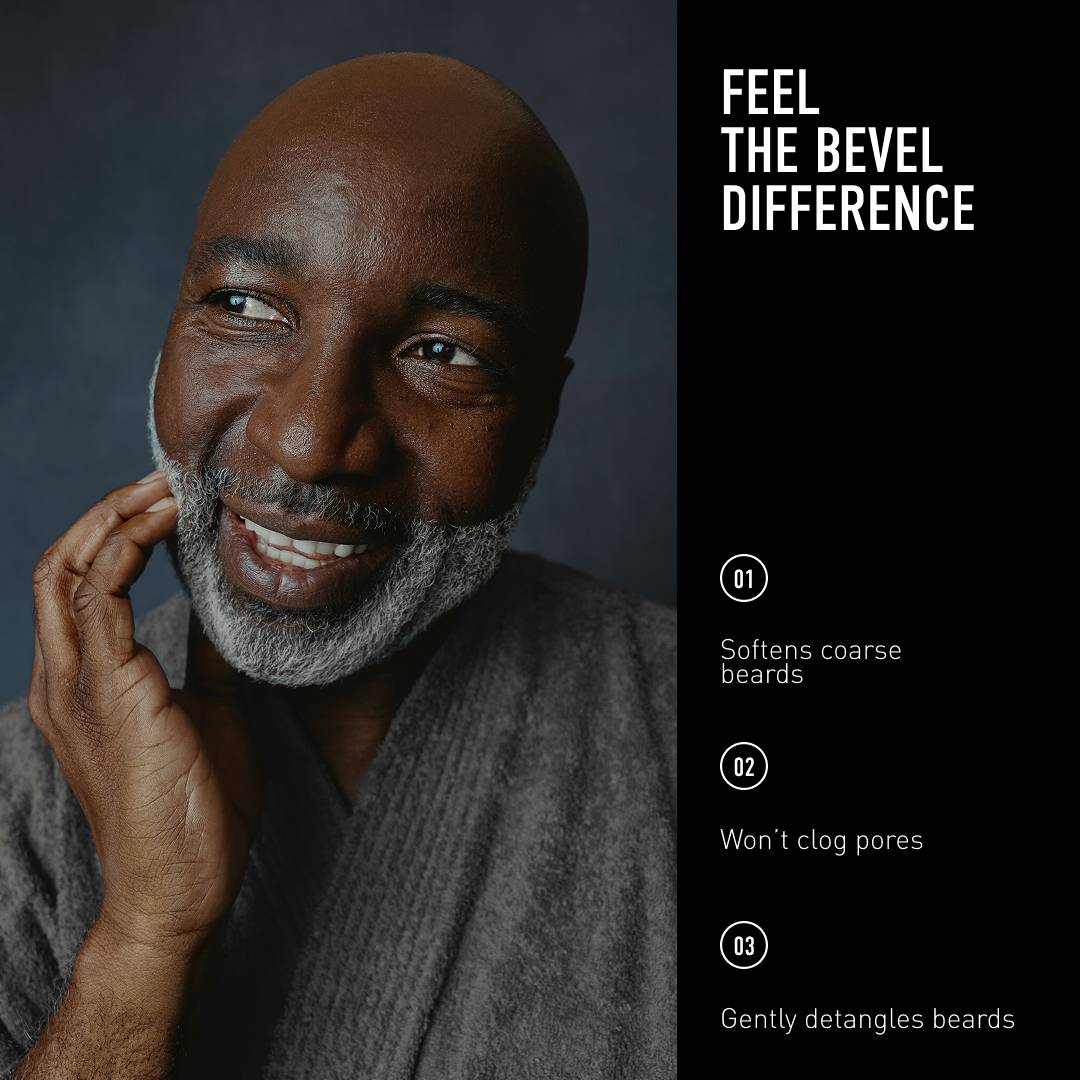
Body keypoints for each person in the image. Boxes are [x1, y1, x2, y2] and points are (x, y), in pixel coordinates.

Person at [0, 53, 675, 1078]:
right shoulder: (21, 806)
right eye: (247, 307)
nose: (311, 438)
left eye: (442, 353)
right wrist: (146, 936)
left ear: (540, 413)